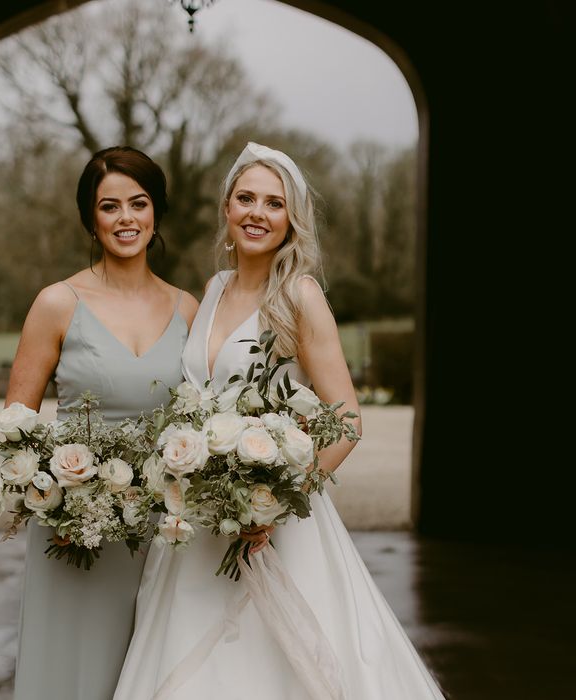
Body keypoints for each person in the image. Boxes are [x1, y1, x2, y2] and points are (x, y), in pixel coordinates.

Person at [113, 142, 446, 699]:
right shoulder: (215, 289)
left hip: (278, 526)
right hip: (200, 522)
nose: (256, 213)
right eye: (245, 198)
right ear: (226, 208)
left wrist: (275, 500)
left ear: (291, 219)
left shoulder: (299, 295)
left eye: (274, 203)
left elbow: (346, 419)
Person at [5, 146, 198, 700]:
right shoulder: (57, 303)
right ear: (91, 217)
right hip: (76, 534)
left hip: (163, 535)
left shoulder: (188, 308)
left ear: (156, 212)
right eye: (109, 206)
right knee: (76, 677)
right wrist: (56, 498)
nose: (126, 219)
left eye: (138, 204)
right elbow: (16, 426)